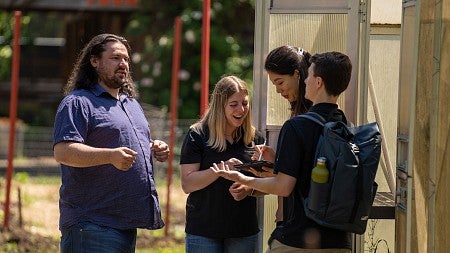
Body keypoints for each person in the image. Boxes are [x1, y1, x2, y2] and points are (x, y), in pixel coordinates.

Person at [211, 51, 353, 252]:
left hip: (297, 237)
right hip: (339, 239)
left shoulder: (297, 126)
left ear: (318, 82)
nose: (306, 79)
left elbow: (285, 187)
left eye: (309, 75)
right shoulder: (345, 125)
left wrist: (242, 179)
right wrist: (277, 164)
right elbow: (312, 175)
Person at [53, 33, 170, 252]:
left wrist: (154, 146)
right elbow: (63, 151)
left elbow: (122, 139)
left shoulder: (131, 104)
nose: (123, 64)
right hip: (91, 225)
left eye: (126, 59)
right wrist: (110, 156)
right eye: (116, 58)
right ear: (94, 61)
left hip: (124, 224)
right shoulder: (78, 102)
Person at [180, 75, 265, 253]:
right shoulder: (198, 135)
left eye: (245, 103)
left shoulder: (254, 138)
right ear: (220, 106)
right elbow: (188, 184)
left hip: (243, 231)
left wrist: (248, 188)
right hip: (204, 231)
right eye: (233, 104)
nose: (241, 109)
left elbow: (269, 183)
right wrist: (221, 170)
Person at [254, 45, 313, 223]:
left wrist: (244, 180)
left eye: (280, 82)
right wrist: (276, 159)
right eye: (274, 85)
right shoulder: (300, 113)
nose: (278, 90)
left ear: (297, 74)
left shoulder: (307, 120)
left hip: (301, 221)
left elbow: (298, 179)